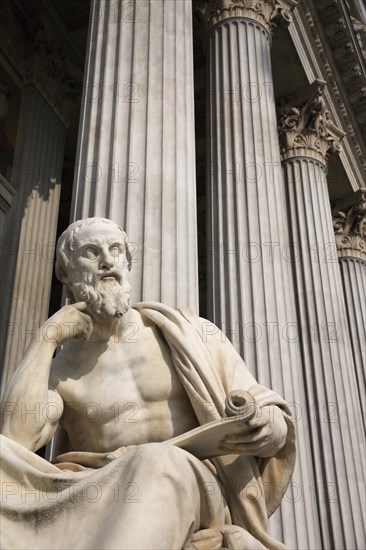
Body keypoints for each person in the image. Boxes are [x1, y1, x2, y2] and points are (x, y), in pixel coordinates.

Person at [0, 217, 295, 550]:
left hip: (190, 481)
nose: (107, 261)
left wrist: (270, 426)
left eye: (115, 251)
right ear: (67, 274)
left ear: (127, 262)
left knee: (155, 461)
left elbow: (263, 406)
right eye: (91, 252)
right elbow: (13, 441)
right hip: (97, 486)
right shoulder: (63, 369)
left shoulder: (189, 334)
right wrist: (47, 336)